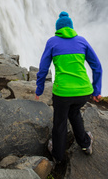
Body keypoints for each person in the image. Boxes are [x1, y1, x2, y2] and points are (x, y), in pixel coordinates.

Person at [35, 11, 102, 164]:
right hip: (83, 92)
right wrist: (96, 90)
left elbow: (43, 68)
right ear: (71, 27)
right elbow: (97, 66)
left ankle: (58, 156)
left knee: (60, 122)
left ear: (57, 29)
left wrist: (39, 89)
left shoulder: (52, 42)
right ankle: (85, 143)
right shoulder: (82, 41)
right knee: (74, 112)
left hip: (63, 93)